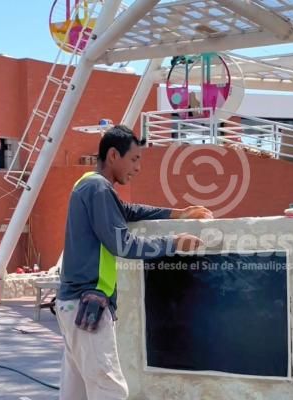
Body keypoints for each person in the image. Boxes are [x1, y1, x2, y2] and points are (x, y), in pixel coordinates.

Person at [56, 125, 212, 400]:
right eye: (134, 159)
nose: (138, 167)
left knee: (77, 392)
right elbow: (123, 243)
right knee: (111, 391)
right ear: (113, 155)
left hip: (72, 305)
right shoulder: (98, 189)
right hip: (88, 303)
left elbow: (126, 210)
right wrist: (173, 244)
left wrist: (176, 213)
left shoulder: (88, 184)